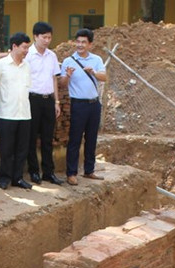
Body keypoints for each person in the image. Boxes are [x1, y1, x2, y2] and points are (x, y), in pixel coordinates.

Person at [61, 28, 106, 185]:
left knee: (91, 138)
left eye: (83, 42)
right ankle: (71, 173)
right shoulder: (68, 61)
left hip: (94, 104)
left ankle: (89, 170)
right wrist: (67, 75)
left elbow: (104, 77)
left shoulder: (96, 60)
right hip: (78, 104)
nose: (80, 45)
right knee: (75, 139)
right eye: (78, 42)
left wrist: (93, 72)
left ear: (90, 44)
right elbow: (62, 84)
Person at [0, 32, 33, 190]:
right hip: (7, 113)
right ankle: (4, 178)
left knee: (22, 149)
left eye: (27, 47)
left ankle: (18, 178)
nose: (26, 50)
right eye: (24, 47)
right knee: (7, 148)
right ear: (14, 46)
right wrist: (1, 103)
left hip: (25, 114)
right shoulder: (0, 65)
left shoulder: (27, 66)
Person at [25, 22, 62, 186]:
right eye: (44, 37)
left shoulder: (52, 56)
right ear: (35, 36)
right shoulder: (28, 55)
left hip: (48, 100)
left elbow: (54, 78)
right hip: (32, 99)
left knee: (48, 138)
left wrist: (57, 101)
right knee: (31, 137)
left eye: (49, 37)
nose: (47, 40)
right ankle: (34, 171)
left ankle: (49, 172)